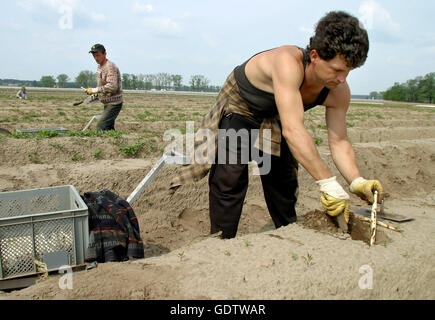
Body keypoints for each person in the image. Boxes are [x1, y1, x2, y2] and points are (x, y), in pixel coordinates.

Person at [170, 11, 385, 239]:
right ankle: (221, 241)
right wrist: (328, 183)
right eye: (337, 70)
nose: (342, 79)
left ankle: (287, 234)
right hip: (242, 106)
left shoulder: (338, 91)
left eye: (349, 72)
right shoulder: (287, 62)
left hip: (278, 114)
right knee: (230, 174)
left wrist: (356, 181)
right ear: (315, 56)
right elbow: (293, 130)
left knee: (282, 176)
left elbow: (339, 141)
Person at [85, 44, 123, 131]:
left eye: (98, 55)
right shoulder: (100, 67)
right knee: (108, 128)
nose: (96, 58)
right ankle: (115, 141)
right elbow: (102, 85)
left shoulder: (110, 67)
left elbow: (112, 86)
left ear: (104, 54)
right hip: (107, 102)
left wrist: (95, 90)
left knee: (101, 127)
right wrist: (95, 95)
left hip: (114, 103)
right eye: (94, 56)